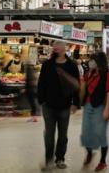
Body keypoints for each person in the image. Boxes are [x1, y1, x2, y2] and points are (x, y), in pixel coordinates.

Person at [37, 40, 81, 170]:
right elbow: (41, 83)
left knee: (63, 135)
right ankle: (49, 160)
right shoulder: (47, 65)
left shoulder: (72, 66)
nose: (55, 49)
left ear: (64, 49)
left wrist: (76, 103)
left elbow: (76, 85)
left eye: (57, 47)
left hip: (65, 105)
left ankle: (60, 159)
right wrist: (41, 100)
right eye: (54, 47)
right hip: (48, 105)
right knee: (49, 135)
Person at [80, 52, 109, 172]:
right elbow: (82, 85)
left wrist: (107, 109)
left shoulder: (107, 75)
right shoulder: (90, 73)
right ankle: (89, 153)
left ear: (99, 61)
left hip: (100, 107)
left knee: (101, 133)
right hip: (88, 105)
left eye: (93, 60)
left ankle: (103, 161)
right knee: (86, 132)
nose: (90, 62)